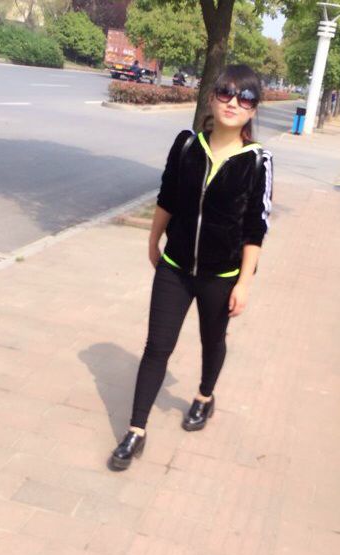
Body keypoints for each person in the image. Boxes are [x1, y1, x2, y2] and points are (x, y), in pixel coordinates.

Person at [110, 64, 274, 470]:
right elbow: (167, 196)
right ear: (213, 97)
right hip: (175, 267)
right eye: (226, 93)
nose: (234, 103)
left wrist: (244, 283)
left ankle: (204, 396)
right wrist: (153, 240)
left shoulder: (257, 161)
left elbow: (256, 227)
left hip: (221, 275)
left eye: (245, 98)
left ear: (253, 110)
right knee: (157, 346)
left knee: (212, 340)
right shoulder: (187, 145)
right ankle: (135, 431)